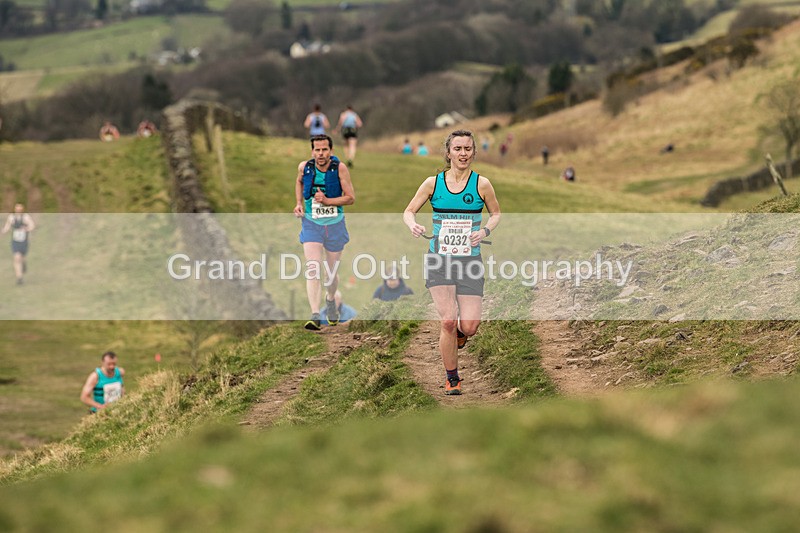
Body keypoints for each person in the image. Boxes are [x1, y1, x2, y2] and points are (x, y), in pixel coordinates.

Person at [403, 129, 500, 395]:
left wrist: (484, 231)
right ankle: (452, 378)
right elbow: (409, 211)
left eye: (467, 149)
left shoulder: (482, 184)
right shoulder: (433, 184)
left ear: (474, 152)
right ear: (448, 152)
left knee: (469, 326)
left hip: (469, 261)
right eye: (457, 149)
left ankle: (460, 334)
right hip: (439, 259)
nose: (463, 154)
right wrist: (413, 225)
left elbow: (496, 214)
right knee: (447, 320)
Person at [294, 134, 356, 330]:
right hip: (311, 224)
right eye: (317, 150)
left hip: (334, 225)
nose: (320, 153)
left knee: (330, 274)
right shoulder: (305, 167)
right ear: (312, 151)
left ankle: (330, 299)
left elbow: (350, 198)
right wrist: (299, 204)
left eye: (324, 149)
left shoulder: (340, 168)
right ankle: (314, 314)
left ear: (331, 151)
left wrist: (328, 201)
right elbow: (299, 182)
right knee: (313, 267)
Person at [2, 203, 35, 285]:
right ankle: (19, 278)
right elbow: (7, 227)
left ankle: (23, 264)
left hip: (24, 241)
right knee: (17, 257)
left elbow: (32, 226)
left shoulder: (26, 217)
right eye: (17, 209)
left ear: (22, 210)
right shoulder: (11, 217)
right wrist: (3, 232)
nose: (18, 211)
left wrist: (26, 229)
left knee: (21, 258)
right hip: (15, 241)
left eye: (20, 210)